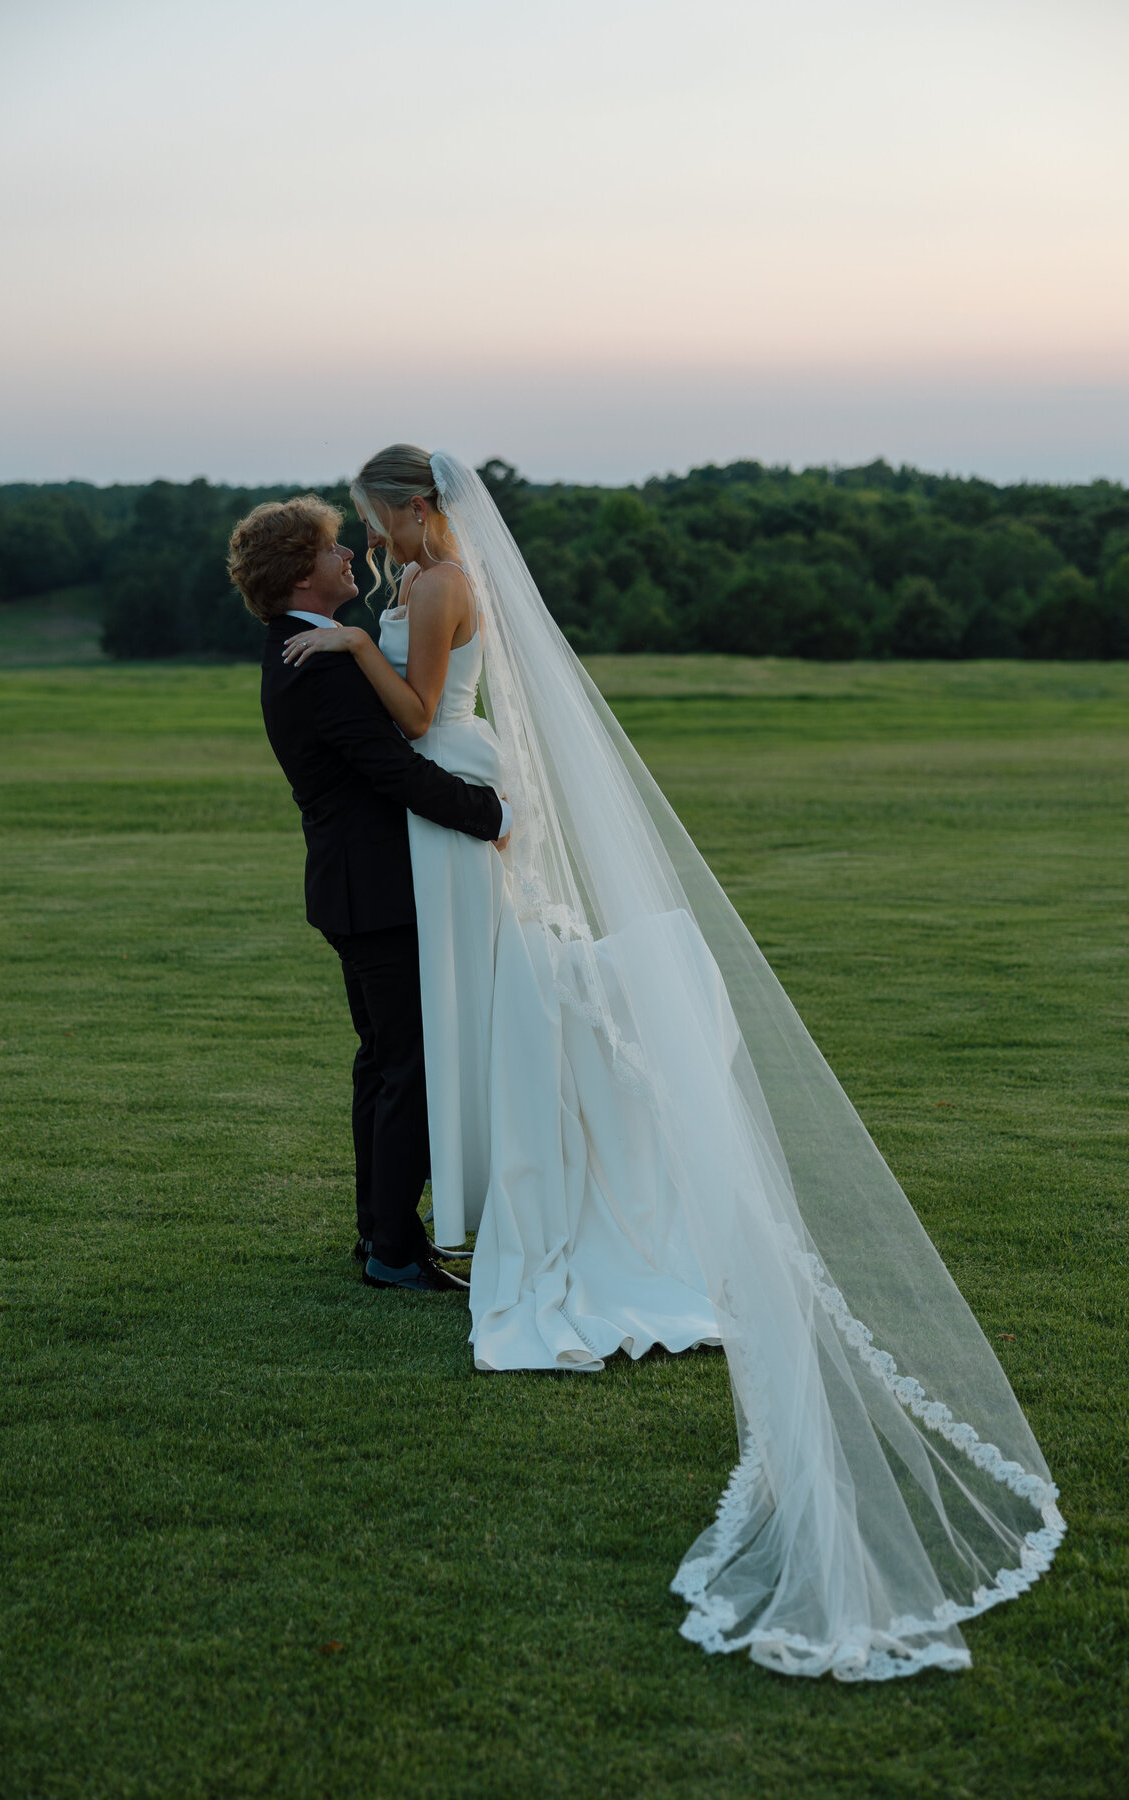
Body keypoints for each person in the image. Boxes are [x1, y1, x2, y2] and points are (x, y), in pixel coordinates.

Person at [281, 450, 1064, 1682]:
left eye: (380, 518)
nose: (372, 538)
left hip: (454, 795)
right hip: (443, 816)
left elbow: (425, 715)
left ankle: (492, 1203)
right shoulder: (421, 575)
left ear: (415, 508)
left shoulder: (433, 587)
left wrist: (352, 651)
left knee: (484, 1012)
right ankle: (442, 1207)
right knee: (458, 1020)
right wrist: (355, 641)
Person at [228, 493, 509, 1294]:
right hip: (375, 891)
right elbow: (391, 767)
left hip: (358, 887)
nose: (350, 556)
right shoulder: (314, 663)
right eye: (331, 550)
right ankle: (392, 1249)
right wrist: (490, 811)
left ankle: (379, 1231)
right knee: (407, 1067)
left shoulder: (311, 646)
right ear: (298, 576)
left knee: (384, 1063)